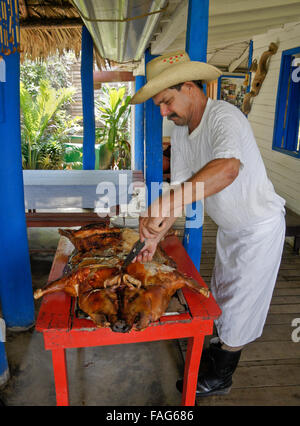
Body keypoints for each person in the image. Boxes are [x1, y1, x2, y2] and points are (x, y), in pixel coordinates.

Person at [130, 51, 286, 397]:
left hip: (259, 229)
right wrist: (156, 234)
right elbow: (182, 193)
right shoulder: (183, 131)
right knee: (222, 299)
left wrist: (167, 202)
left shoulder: (223, 116)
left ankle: (219, 378)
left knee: (242, 307)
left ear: (189, 87)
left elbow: (228, 169)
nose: (163, 111)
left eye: (167, 101)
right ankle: (213, 361)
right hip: (231, 229)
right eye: (159, 104)